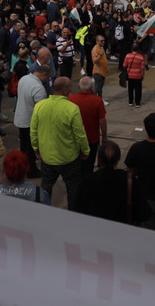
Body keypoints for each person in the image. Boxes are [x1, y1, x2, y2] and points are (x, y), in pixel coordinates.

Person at [30, 76, 90, 210]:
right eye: (69, 87)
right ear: (64, 90)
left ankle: (43, 210)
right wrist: (85, 151)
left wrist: (36, 148)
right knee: (73, 187)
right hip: (69, 158)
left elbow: (33, 131)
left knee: (46, 186)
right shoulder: (72, 108)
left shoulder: (40, 106)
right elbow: (80, 134)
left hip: (47, 157)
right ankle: (73, 212)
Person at [74, 141, 129, 223]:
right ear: (119, 158)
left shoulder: (87, 181)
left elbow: (79, 209)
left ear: (98, 159)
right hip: (121, 229)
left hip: (94, 227)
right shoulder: (129, 180)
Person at [14, 63, 51, 178]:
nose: (48, 80)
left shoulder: (24, 78)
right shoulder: (38, 88)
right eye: (48, 77)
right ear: (44, 75)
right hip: (30, 122)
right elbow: (40, 110)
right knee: (30, 148)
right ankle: (31, 170)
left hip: (21, 118)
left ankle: (22, 166)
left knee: (24, 146)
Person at [69, 76, 107, 175]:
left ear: (78, 87)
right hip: (91, 139)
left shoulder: (70, 99)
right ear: (92, 87)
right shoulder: (97, 101)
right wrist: (104, 137)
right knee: (88, 167)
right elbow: (102, 121)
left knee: (74, 167)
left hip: (73, 139)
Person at [124, 42, 147, 107]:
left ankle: (130, 101)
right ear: (138, 49)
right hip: (138, 76)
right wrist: (142, 75)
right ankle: (137, 103)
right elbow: (142, 68)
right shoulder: (141, 57)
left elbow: (124, 65)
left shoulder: (128, 55)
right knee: (138, 90)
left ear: (131, 48)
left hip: (130, 75)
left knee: (130, 89)